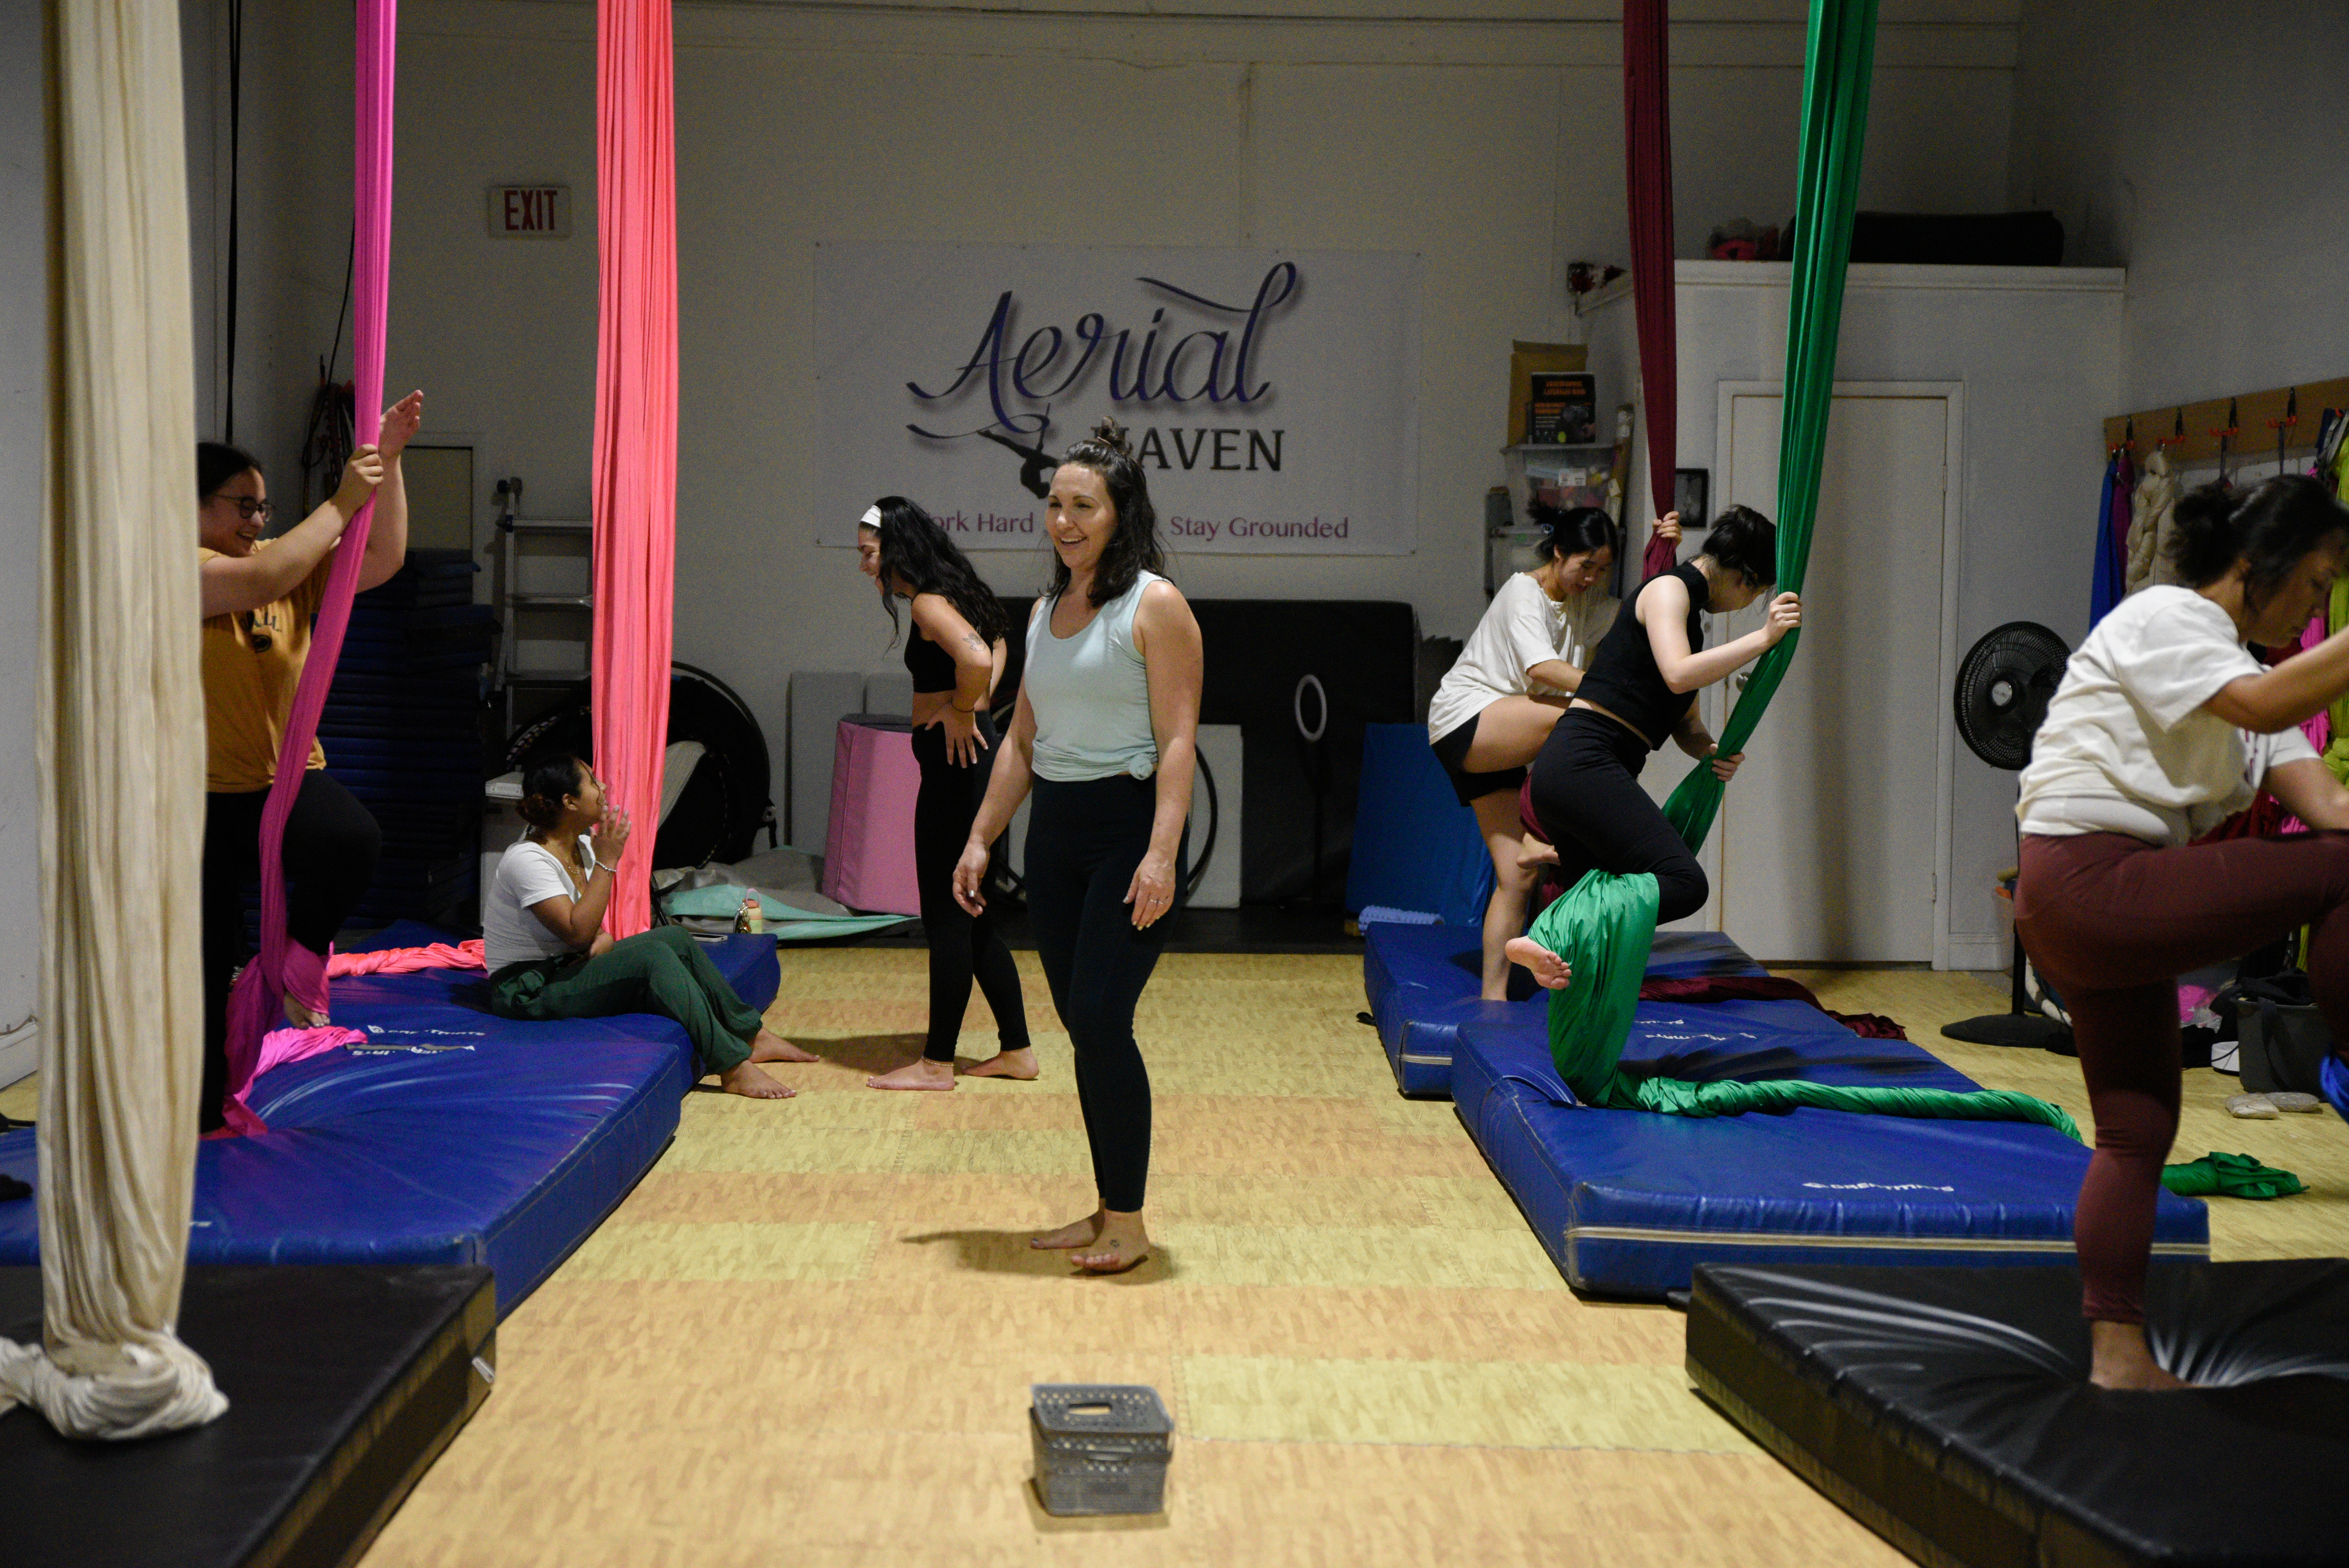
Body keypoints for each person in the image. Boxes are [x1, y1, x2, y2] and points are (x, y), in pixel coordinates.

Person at [2014, 474, 2349, 1390]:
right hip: (2088, 879)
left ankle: (2118, 1353)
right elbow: (2261, 704)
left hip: (2104, 906)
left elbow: (2327, 805)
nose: (2317, 607)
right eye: (2315, 584)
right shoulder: (2164, 617)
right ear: (2254, 565)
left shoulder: (2246, 673)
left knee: (2135, 1129)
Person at [952, 419, 1203, 1274]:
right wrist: (982, 838)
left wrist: (1161, 854)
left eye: (1082, 506)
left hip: (1126, 832)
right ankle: (1107, 1208)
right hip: (1054, 833)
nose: (1062, 521)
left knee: (1101, 1017)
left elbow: (1177, 740)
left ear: (1119, 514)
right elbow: (1020, 740)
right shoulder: (1039, 612)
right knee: (1082, 1025)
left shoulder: (1156, 605)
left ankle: (1129, 1221)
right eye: (1054, 504)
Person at [196, 392, 421, 1133]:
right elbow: (265, 580)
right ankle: (207, 1104)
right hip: (203, 795)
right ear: (195, 510)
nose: (257, 523)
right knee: (205, 959)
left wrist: (386, 465)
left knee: (351, 840)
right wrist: (341, 499)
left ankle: (298, 957)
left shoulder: (277, 564)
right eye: (243, 506)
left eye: (264, 509)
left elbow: (380, 558)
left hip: (285, 779)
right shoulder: (180, 568)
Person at [1427, 502, 1678, 999]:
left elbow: (1645, 611)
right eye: (1585, 565)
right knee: (1578, 717)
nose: (1593, 578)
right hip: (1465, 721)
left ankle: (1492, 998)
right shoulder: (1524, 591)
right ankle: (1554, 826)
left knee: (1515, 880)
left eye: (1603, 569)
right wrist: (1609, 693)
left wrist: (1664, 551)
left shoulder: (1585, 604)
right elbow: (1543, 669)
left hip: (1500, 744)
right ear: (1559, 552)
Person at [1522, 505, 1798, 936]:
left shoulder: (1688, 620)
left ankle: (1554, 949)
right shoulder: (1670, 589)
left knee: (1591, 897)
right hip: (1584, 762)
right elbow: (1678, 674)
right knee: (1684, 883)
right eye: (1754, 594)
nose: (1745, 604)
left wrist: (1710, 751)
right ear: (1743, 578)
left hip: (1581, 768)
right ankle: (1551, 930)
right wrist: (1763, 639)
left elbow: (1684, 723)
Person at [483, 754, 816, 1099]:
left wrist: (605, 936)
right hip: (526, 990)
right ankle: (733, 1068)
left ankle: (752, 1035)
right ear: (569, 802)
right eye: (593, 782)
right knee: (654, 957)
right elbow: (579, 932)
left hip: (565, 967)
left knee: (673, 937)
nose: (604, 787)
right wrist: (608, 861)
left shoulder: (580, 846)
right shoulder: (527, 860)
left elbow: (591, 929)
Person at [854, 496, 1034, 1090]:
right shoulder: (951, 592)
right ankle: (1017, 1051)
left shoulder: (931, 602)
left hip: (957, 772)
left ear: (898, 547)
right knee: (972, 916)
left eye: (869, 552)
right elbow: (1001, 638)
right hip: (966, 764)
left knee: (947, 917)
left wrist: (964, 709)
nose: (864, 566)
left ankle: (936, 1064)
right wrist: (978, 708)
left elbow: (979, 656)